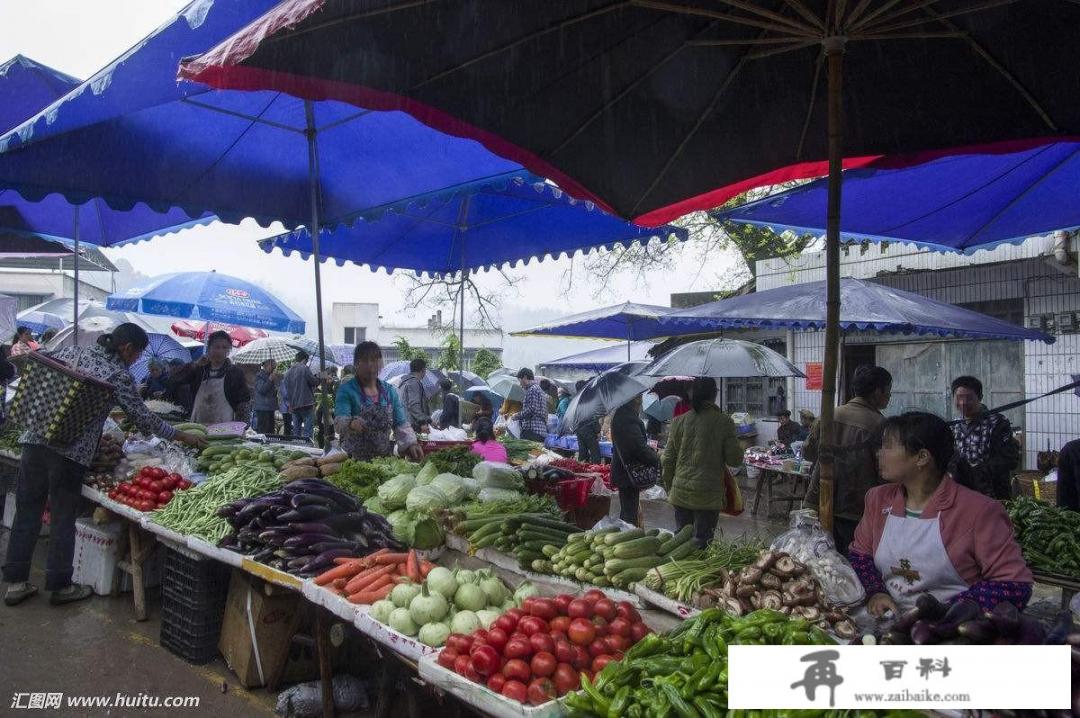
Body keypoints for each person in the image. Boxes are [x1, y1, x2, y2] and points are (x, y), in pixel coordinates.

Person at [3, 324, 206, 606]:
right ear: (126, 348)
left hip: (35, 441)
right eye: (137, 354)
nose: (137, 361)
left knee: (27, 511)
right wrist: (181, 435)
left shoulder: (74, 351)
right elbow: (143, 418)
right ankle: (60, 587)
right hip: (69, 453)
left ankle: (14, 584)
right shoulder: (117, 375)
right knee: (63, 517)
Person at [849, 412, 1032, 615]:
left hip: (953, 631)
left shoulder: (980, 512)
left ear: (921, 458)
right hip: (889, 623)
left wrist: (946, 611)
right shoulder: (877, 500)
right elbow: (860, 556)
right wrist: (876, 593)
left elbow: (1014, 585)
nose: (879, 453)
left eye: (887, 446)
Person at [804, 365, 892, 556]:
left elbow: (808, 454)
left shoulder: (828, 415)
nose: (889, 396)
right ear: (878, 391)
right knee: (851, 564)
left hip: (819, 501)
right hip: (856, 509)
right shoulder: (881, 425)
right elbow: (886, 472)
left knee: (822, 561)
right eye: (888, 390)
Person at [662, 377, 742, 548]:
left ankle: (681, 574)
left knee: (681, 546)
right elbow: (735, 460)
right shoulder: (724, 422)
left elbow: (667, 460)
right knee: (701, 545)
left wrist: (671, 488)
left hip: (680, 494)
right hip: (708, 496)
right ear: (714, 395)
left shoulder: (678, 421)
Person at [334, 341, 423, 462]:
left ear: (380, 363)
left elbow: (401, 423)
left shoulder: (389, 391)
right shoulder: (347, 390)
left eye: (374, 360)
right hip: (352, 460)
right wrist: (350, 423)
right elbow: (339, 422)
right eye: (364, 360)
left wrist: (411, 443)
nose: (370, 364)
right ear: (356, 364)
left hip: (382, 460)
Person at [950, 375, 1019, 500]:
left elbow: (1009, 459)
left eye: (969, 398)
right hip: (961, 495)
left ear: (980, 397)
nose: (963, 403)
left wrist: (976, 471)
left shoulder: (997, 423)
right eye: (959, 397)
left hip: (993, 496)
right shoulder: (954, 426)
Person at [171, 330, 251, 426]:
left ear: (229, 350)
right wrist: (195, 365)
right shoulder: (199, 369)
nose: (220, 351)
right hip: (197, 425)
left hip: (224, 426)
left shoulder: (235, 373)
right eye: (216, 347)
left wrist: (241, 427)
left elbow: (243, 402)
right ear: (209, 348)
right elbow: (174, 379)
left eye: (224, 347)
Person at [611, 394, 660, 526]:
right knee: (629, 512)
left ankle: (623, 533)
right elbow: (638, 448)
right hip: (628, 473)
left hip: (624, 470)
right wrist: (656, 458)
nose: (641, 401)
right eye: (639, 397)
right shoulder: (628, 419)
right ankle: (626, 536)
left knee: (627, 508)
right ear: (635, 399)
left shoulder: (622, 415)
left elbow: (634, 444)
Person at [282, 351, 321, 439]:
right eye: (307, 361)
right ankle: (307, 446)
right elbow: (314, 382)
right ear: (304, 359)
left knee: (296, 430)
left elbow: (286, 390)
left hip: (293, 405)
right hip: (306, 403)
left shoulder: (288, 372)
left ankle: (297, 447)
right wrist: (319, 377)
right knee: (307, 430)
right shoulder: (304, 368)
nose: (307, 363)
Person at [514, 368, 549, 443]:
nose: (520, 384)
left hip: (532, 431)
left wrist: (517, 415)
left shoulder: (532, 389)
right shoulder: (539, 389)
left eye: (520, 380)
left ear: (525, 377)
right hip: (540, 430)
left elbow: (531, 409)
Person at [398, 358, 431, 434]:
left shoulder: (405, 381)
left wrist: (430, 421)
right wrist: (422, 423)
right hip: (412, 426)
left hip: (404, 423)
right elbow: (414, 405)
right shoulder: (414, 382)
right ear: (423, 370)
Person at [574, 379, 602, 464]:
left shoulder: (576, 400)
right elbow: (592, 416)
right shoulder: (588, 399)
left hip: (579, 429)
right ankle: (595, 471)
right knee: (595, 454)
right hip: (589, 429)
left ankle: (582, 471)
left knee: (582, 453)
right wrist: (597, 430)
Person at [253, 359, 279, 436]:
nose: (274, 369)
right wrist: (270, 380)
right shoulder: (259, 376)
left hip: (270, 407)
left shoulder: (270, 375)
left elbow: (272, 391)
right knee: (264, 430)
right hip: (263, 407)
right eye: (273, 367)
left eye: (274, 368)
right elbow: (262, 390)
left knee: (270, 430)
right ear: (266, 365)